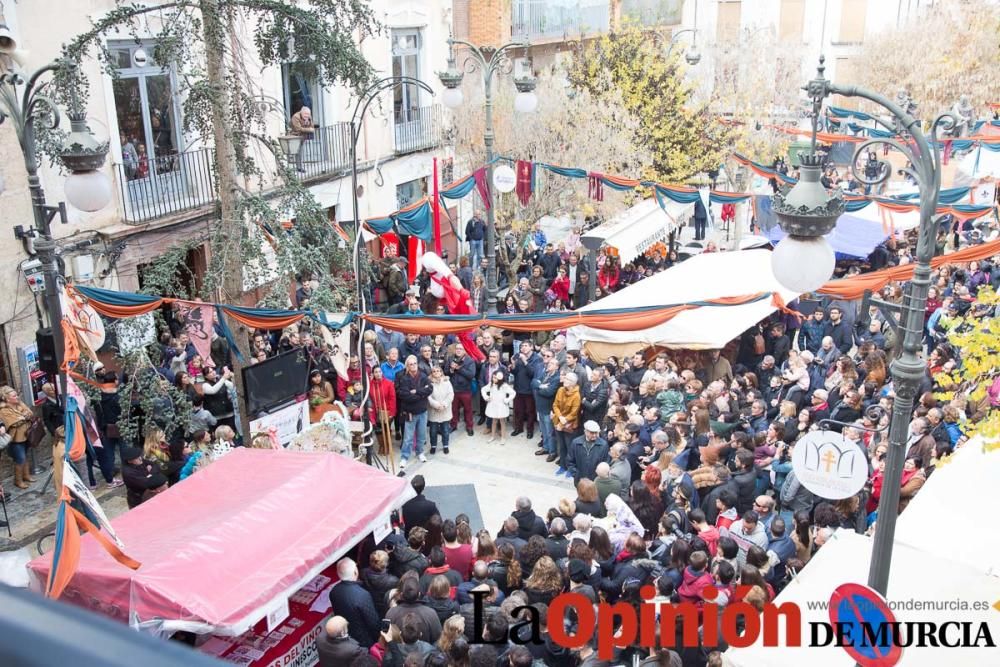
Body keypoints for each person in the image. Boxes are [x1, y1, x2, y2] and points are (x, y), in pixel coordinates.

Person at [329, 558, 381, 649]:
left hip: (346, 635)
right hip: (363, 641)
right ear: (355, 572)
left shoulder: (334, 591)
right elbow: (373, 622)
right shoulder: (362, 595)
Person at [397, 355, 432, 469]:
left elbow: (429, 389)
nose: (413, 366)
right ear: (407, 365)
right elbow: (405, 395)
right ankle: (404, 457)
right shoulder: (404, 378)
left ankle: (420, 452)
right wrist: (421, 395)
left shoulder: (423, 376)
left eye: (415, 363)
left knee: (422, 435)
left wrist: (416, 392)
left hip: (422, 411)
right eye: (411, 364)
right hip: (410, 412)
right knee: (408, 437)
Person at [0, 386, 37, 489]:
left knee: (25, 455)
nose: (17, 397)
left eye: (16, 394)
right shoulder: (3, 410)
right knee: (20, 458)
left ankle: (26, 476)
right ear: (7, 399)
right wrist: (24, 416)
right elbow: (13, 422)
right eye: (14, 395)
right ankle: (18, 481)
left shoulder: (20, 404)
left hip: (26, 435)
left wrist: (24, 416)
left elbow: (30, 413)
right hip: (15, 438)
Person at [552, 372, 581, 475]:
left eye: (567, 379)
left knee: (570, 448)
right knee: (562, 446)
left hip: (570, 425)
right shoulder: (560, 390)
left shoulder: (576, 395)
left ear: (573, 383)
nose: (564, 380)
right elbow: (555, 405)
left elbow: (574, 413)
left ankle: (570, 469)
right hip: (559, 421)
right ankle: (562, 466)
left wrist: (564, 421)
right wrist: (560, 417)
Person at [566, 421, 610, 486]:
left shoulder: (603, 445)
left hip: (595, 482)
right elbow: (570, 461)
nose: (594, 435)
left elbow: (606, 463)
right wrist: (576, 474)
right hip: (580, 481)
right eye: (592, 433)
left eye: (596, 433)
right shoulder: (576, 443)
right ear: (585, 431)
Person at [447, 345, 476, 437]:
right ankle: (453, 425)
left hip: (465, 389)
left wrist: (459, 369)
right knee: (454, 409)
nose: (458, 350)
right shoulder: (450, 358)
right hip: (453, 389)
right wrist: (451, 369)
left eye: (461, 349)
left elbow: (471, 375)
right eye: (457, 348)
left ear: (465, 350)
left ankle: (469, 427)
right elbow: (445, 372)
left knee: (468, 409)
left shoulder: (469, 360)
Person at [481, 370, 515, 445]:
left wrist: (506, 400)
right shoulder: (491, 384)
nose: (494, 379)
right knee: (494, 421)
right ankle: (492, 436)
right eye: (493, 377)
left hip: (501, 406)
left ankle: (503, 437)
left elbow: (513, 393)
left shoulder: (504, 386)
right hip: (493, 405)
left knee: (502, 422)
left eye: (495, 378)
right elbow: (483, 389)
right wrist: (486, 397)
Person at [427, 366, 454, 455]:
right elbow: (428, 396)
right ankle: (433, 446)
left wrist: (444, 404)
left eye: (438, 371)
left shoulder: (447, 382)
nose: (436, 373)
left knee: (445, 430)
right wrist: (436, 405)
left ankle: (445, 445)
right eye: (434, 371)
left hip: (445, 410)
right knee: (433, 431)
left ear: (441, 372)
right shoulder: (429, 383)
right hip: (434, 411)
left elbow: (450, 394)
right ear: (432, 373)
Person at [290, 105, 315, 171]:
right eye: (305, 114)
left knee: (300, 152)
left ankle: (299, 167)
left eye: (308, 114)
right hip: (294, 136)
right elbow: (298, 129)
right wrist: (309, 129)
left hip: (303, 137)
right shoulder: (296, 117)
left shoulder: (308, 117)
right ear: (301, 112)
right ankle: (293, 167)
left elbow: (312, 126)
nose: (307, 115)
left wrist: (308, 122)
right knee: (293, 151)